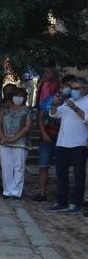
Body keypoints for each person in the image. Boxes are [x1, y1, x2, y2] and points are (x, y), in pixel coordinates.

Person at [48, 77, 88, 213]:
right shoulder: (67, 102)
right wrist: (54, 104)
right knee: (61, 174)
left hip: (79, 143)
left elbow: (86, 119)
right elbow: (54, 114)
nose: (73, 91)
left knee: (78, 175)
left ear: (84, 89)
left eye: (76, 88)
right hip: (62, 143)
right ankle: (61, 202)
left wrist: (75, 108)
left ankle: (76, 204)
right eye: (72, 88)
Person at [31, 71, 69, 202]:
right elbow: (40, 117)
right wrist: (43, 133)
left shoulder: (73, 102)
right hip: (47, 137)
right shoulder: (49, 98)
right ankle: (42, 193)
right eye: (66, 85)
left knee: (62, 167)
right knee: (43, 165)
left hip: (63, 138)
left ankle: (61, 194)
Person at [0, 87, 34, 200]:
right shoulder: (5, 109)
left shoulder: (28, 110)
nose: (18, 98)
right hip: (4, 141)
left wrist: (14, 138)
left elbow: (27, 127)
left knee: (19, 166)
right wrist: (2, 136)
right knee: (6, 166)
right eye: (16, 95)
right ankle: (7, 190)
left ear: (25, 98)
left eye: (21, 96)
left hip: (21, 142)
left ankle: (16, 192)